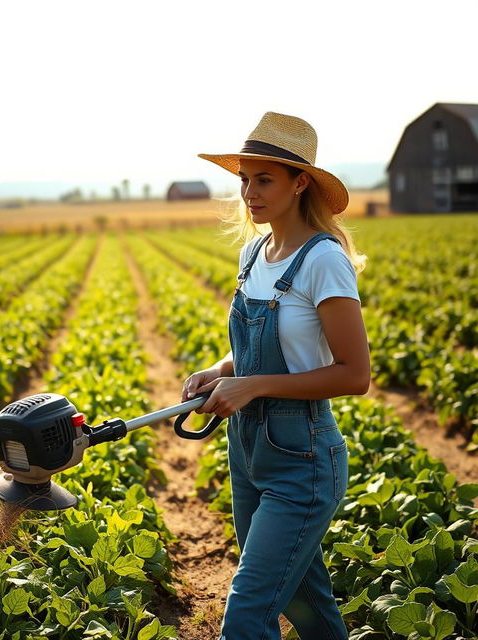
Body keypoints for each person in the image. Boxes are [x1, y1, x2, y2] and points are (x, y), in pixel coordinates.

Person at [181, 111, 371, 640]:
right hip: (248, 454)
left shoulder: (323, 261)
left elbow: (355, 375)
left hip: (303, 461)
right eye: (244, 180)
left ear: (299, 182)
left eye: (263, 179)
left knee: (246, 614)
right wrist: (218, 372)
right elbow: (261, 353)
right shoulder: (253, 254)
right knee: (305, 601)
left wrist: (253, 385)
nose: (249, 193)